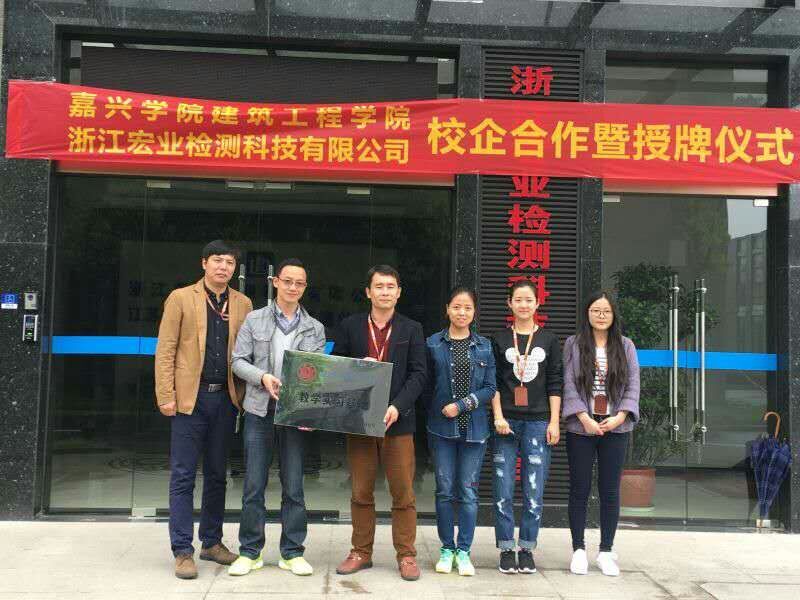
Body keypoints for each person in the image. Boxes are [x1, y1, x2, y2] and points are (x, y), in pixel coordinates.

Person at [155, 240, 253, 579]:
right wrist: (165, 394)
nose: (223, 267)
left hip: (225, 399)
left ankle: (211, 542)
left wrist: (243, 396)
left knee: (217, 474)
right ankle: (183, 550)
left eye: (229, 262)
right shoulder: (181, 298)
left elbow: (246, 352)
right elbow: (166, 349)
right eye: (217, 260)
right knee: (183, 475)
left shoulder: (242, 303)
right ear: (204, 263)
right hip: (189, 399)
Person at [228, 258, 326, 577]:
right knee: (253, 484)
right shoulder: (255, 319)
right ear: (276, 282)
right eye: (288, 281)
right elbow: (238, 362)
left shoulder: (315, 328)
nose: (293, 287)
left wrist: (309, 409)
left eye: (299, 283)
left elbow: (317, 374)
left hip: (293, 414)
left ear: (304, 287)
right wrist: (262, 377)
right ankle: (250, 551)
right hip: (259, 410)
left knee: (294, 485)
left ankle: (292, 552)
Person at [333, 265, 427, 581]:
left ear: (399, 292)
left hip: (397, 421)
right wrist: (357, 367)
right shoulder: (350, 326)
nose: (384, 292)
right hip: (360, 420)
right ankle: (361, 551)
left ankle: (407, 554)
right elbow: (337, 367)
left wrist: (398, 406)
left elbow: (419, 374)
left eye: (390, 286)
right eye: (379, 286)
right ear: (368, 292)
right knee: (361, 490)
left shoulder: (412, 329)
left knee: (403, 492)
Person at [562, 292, 640, 577]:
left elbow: (633, 384)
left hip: (615, 426)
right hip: (581, 427)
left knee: (609, 490)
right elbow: (568, 383)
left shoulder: (626, 345)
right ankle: (578, 550)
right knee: (579, 488)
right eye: (596, 310)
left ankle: (606, 551)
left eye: (606, 311)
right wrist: (583, 417)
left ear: (613, 314)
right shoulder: (573, 344)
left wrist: (620, 416)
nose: (601, 315)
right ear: (587, 313)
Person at [490, 280, 562, 575]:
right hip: (506, 422)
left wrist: (554, 421)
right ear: (509, 303)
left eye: (528, 300)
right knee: (503, 488)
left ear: (537, 303)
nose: (523, 305)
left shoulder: (549, 339)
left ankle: (527, 548)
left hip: (538, 421)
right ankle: (507, 548)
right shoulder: (498, 339)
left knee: (534, 490)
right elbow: (493, 383)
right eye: (518, 299)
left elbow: (555, 382)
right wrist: (498, 417)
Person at [425, 287, 496, 576]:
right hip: (440, 429)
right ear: (447, 309)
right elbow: (425, 384)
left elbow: (491, 388)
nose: (462, 312)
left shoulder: (485, 346)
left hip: (474, 431)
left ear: (474, 312)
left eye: (467, 307)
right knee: (444, 490)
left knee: (467, 491)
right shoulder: (432, 344)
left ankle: (464, 551)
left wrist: (462, 405)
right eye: (456, 307)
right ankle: (446, 549)